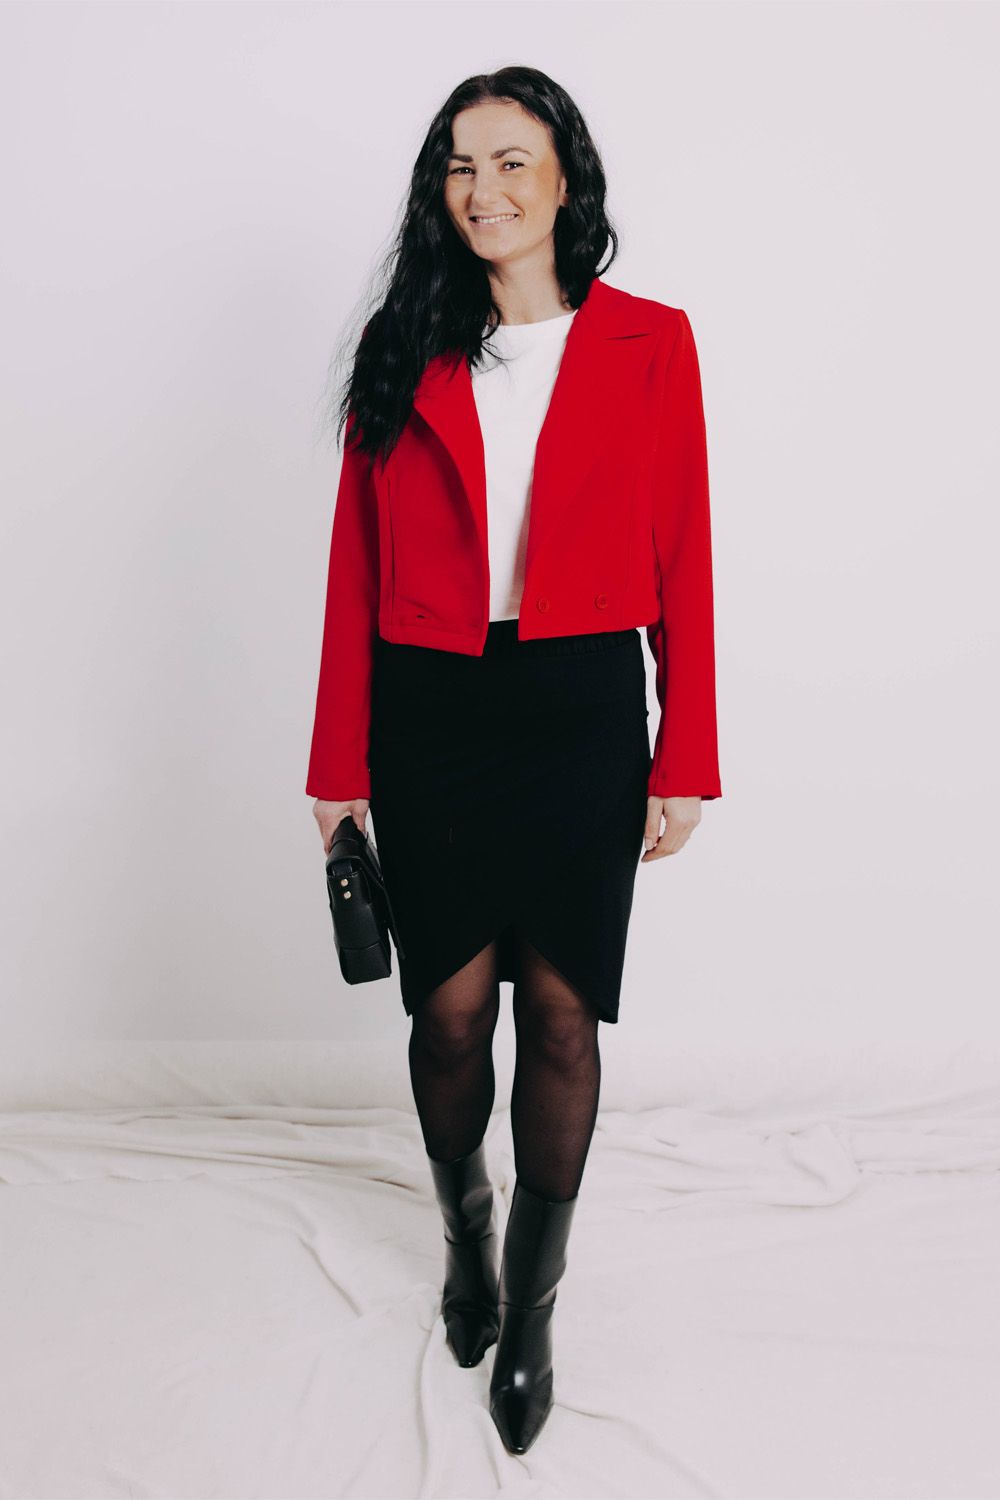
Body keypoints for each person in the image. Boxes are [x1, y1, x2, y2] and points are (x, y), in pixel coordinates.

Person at [306, 65, 722, 1455]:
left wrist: (685, 752)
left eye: (509, 162)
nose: (481, 190)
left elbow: (687, 555)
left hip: (582, 707)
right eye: (458, 166)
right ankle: (467, 1243)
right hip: (432, 709)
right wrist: (336, 765)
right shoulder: (407, 343)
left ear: (563, 179)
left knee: (558, 1017)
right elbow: (353, 568)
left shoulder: (652, 343)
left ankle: (532, 1311)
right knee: (446, 1015)